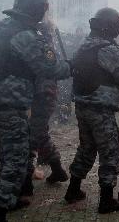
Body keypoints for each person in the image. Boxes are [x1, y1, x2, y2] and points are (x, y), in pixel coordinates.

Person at [0, 0, 71, 222]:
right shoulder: (25, 34)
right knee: (18, 159)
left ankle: (13, 198)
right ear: (38, 10)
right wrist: (71, 66)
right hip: (10, 102)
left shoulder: (5, 28)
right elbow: (49, 68)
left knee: (6, 153)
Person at [64, 8, 119, 214]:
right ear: (111, 26)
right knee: (110, 152)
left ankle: (73, 189)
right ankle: (106, 199)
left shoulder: (85, 45)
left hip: (82, 105)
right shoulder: (107, 49)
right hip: (100, 108)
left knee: (86, 149)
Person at [25, 20, 68, 190]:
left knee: (32, 136)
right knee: (39, 134)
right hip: (41, 94)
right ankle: (57, 169)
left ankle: (26, 181)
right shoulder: (44, 43)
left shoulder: (41, 46)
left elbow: (47, 70)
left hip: (42, 95)